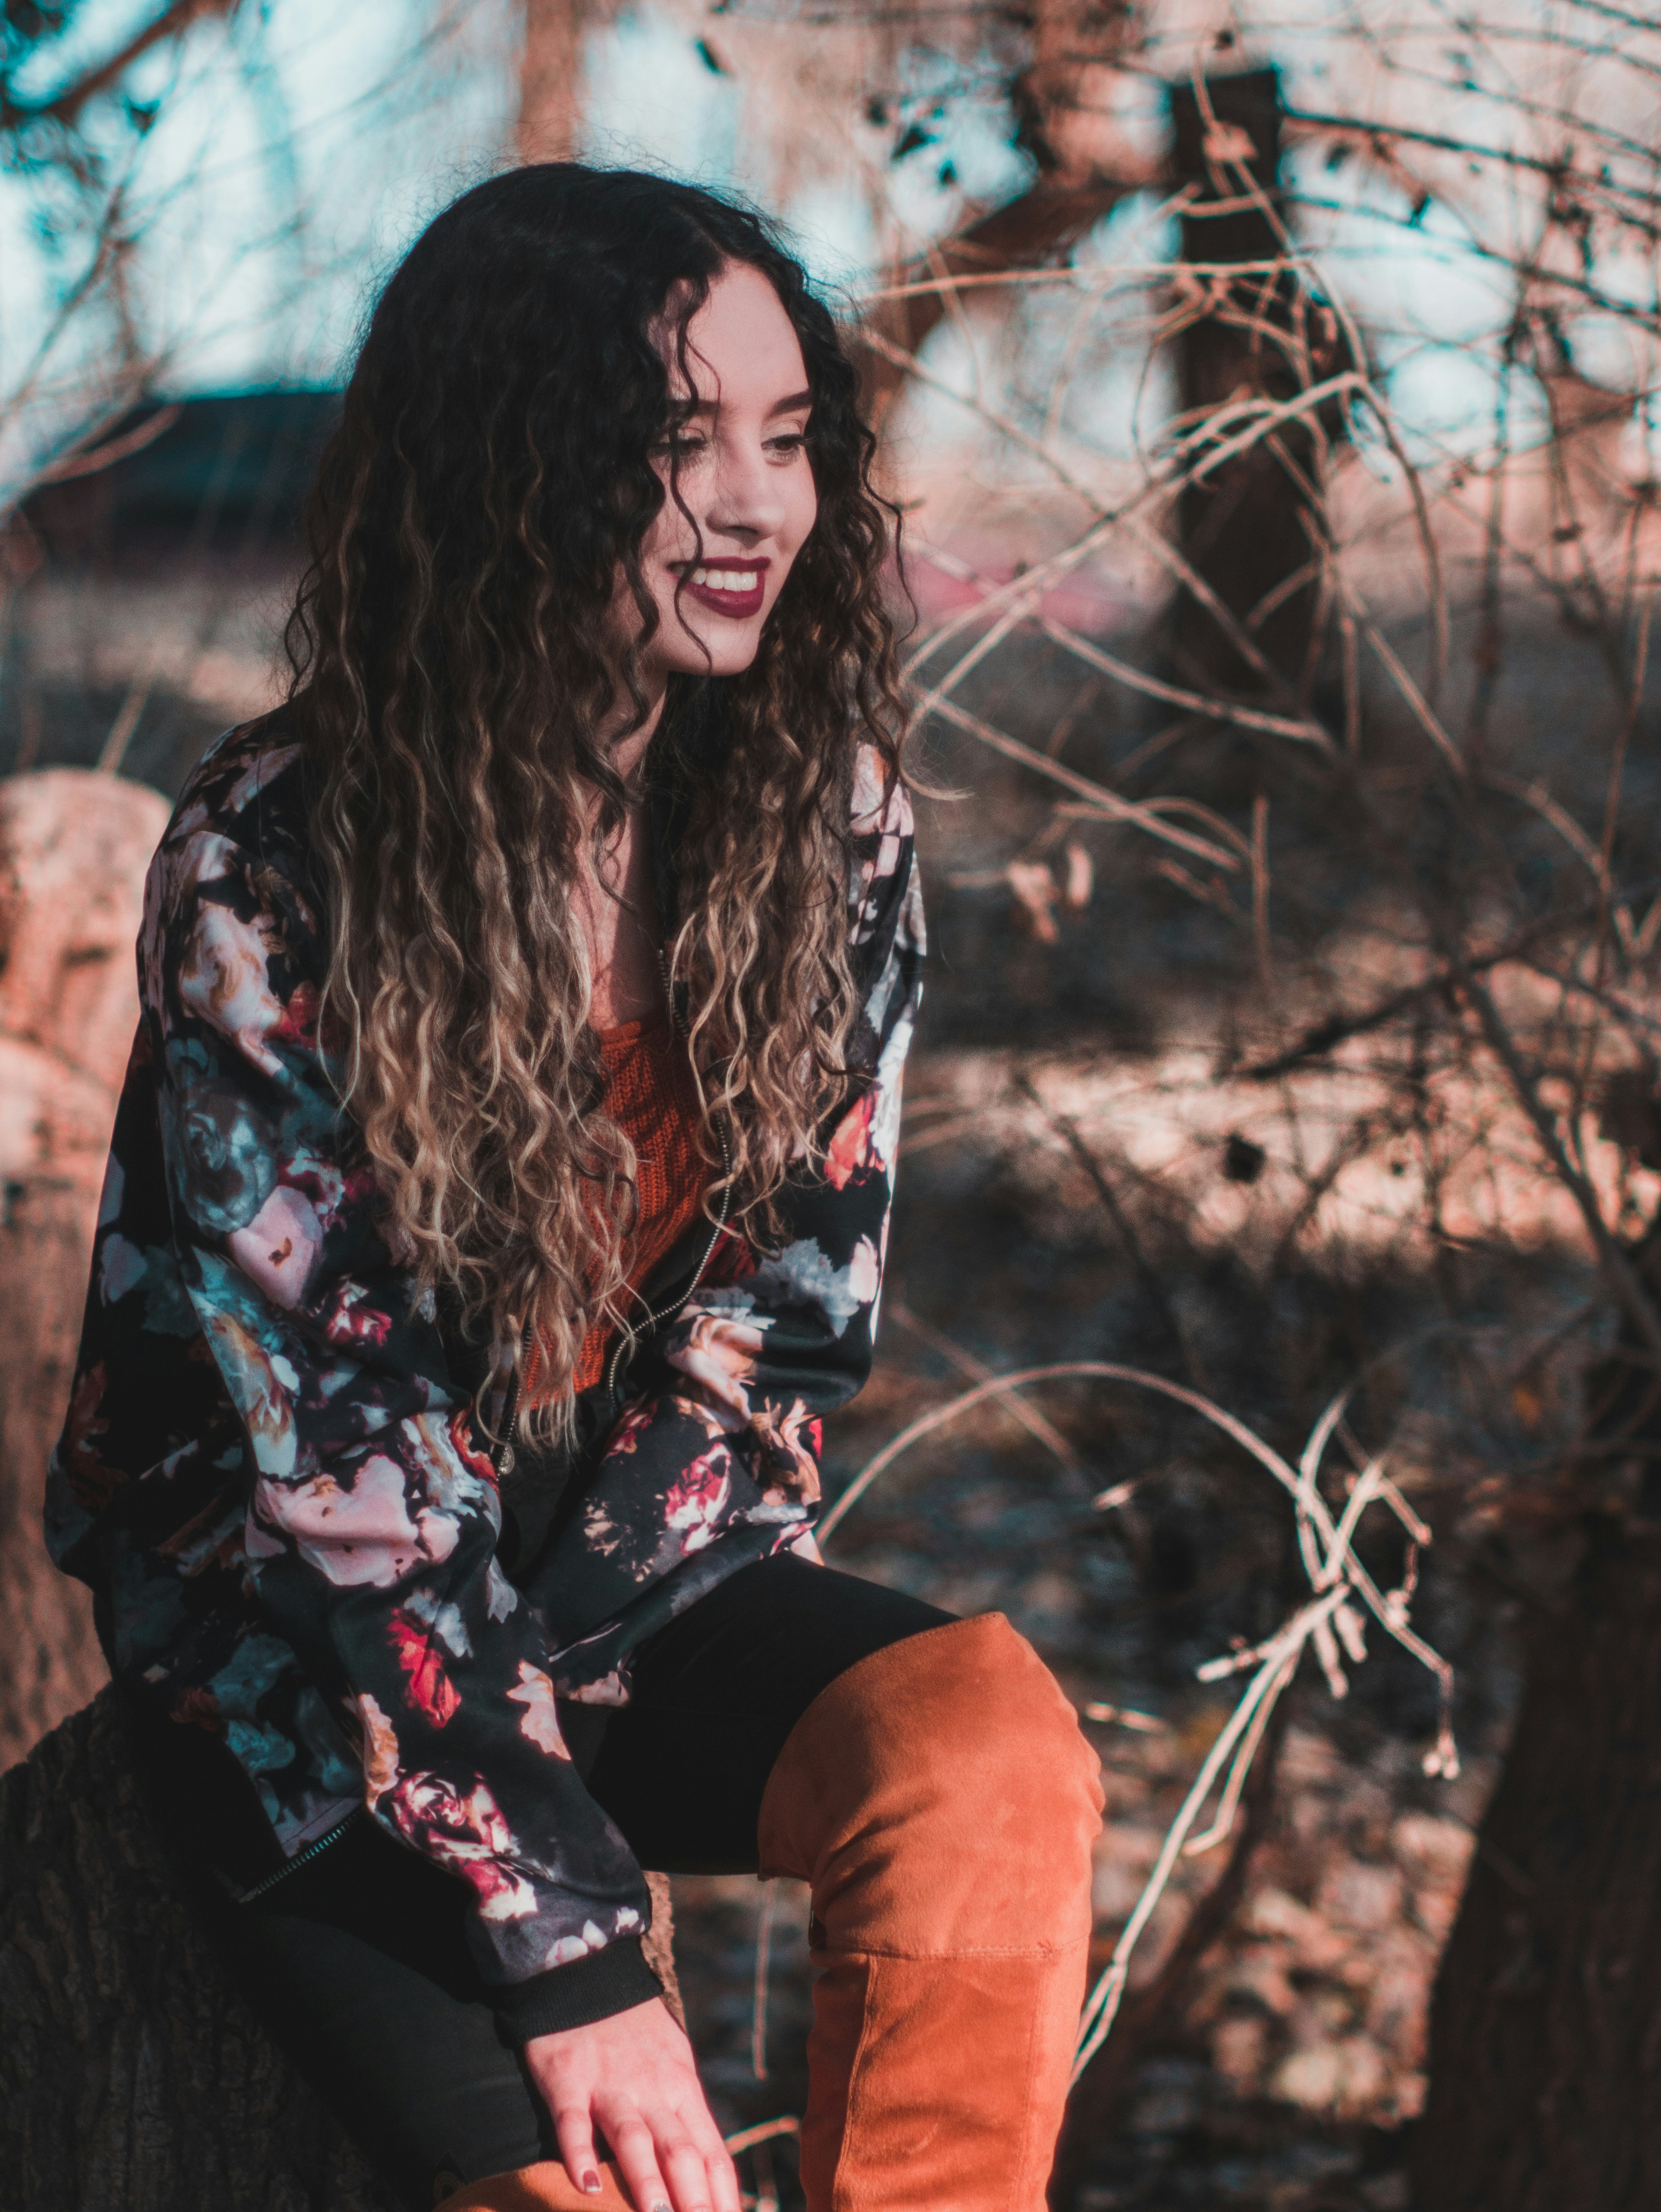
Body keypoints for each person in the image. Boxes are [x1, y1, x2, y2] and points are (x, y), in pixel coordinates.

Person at [46, 166, 1102, 2212]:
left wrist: (585, 1735)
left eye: (787, 439)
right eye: (673, 438)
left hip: (631, 1583)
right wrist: (569, 1941)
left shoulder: (834, 824)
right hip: (302, 1660)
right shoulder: (277, 860)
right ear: (509, 464)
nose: (752, 505)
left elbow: (780, 1338)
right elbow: (340, 1485)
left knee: (988, 1751)